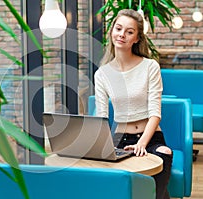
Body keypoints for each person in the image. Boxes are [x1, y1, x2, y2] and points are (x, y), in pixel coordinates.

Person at [94, 9, 172, 199]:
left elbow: (155, 113)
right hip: (119, 137)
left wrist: (142, 143)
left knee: (165, 153)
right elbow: (101, 117)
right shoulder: (102, 74)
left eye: (129, 32)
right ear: (112, 31)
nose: (122, 35)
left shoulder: (150, 66)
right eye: (118, 29)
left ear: (137, 38)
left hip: (150, 136)